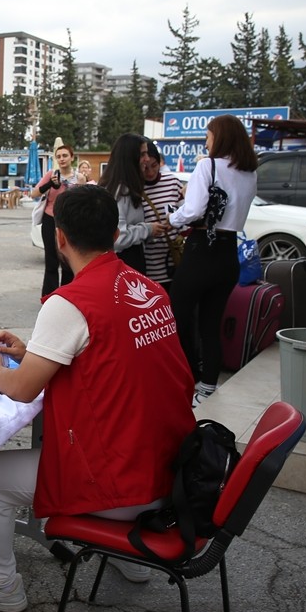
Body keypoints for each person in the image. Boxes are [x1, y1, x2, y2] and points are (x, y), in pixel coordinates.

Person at [0, 185, 195, 612]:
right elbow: (111, 358)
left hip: (123, 486)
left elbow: (22, 389)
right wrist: (31, 353)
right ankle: (133, 558)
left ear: (59, 237)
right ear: (116, 234)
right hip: (175, 473)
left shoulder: (71, 302)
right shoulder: (150, 289)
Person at [168, 115, 258, 406]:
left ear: (220, 138)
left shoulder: (209, 166)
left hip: (201, 249)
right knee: (210, 324)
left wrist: (173, 217)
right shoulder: (249, 172)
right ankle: (207, 387)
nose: (206, 142)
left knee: (177, 317)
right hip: (228, 252)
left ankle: (182, 380)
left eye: (208, 137)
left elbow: (193, 210)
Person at [98, 133, 167, 275]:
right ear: (130, 158)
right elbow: (119, 238)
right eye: (142, 154)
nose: (147, 159)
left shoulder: (124, 187)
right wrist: (147, 229)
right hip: (126, 263)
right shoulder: (121, 191)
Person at [28, 138, 79, 297]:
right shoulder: (51, 174)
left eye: (65, 155)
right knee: (51, 261)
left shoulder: (79, 178)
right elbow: (34, 193)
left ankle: (67, 296)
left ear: (72, 157)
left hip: (70, 222)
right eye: (59, 156)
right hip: (50, 219)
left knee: (68, 261)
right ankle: (49, 297)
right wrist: (49, 184)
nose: (62, 159)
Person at [140, 140, 185, 286]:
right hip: (149, 266)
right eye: (145, 168)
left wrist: (176, 223)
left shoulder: (173, 182)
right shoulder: (134, 189)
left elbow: (187, 215)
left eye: (154, 166)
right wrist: (149, 229)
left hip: (175, 260)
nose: (151, 172)